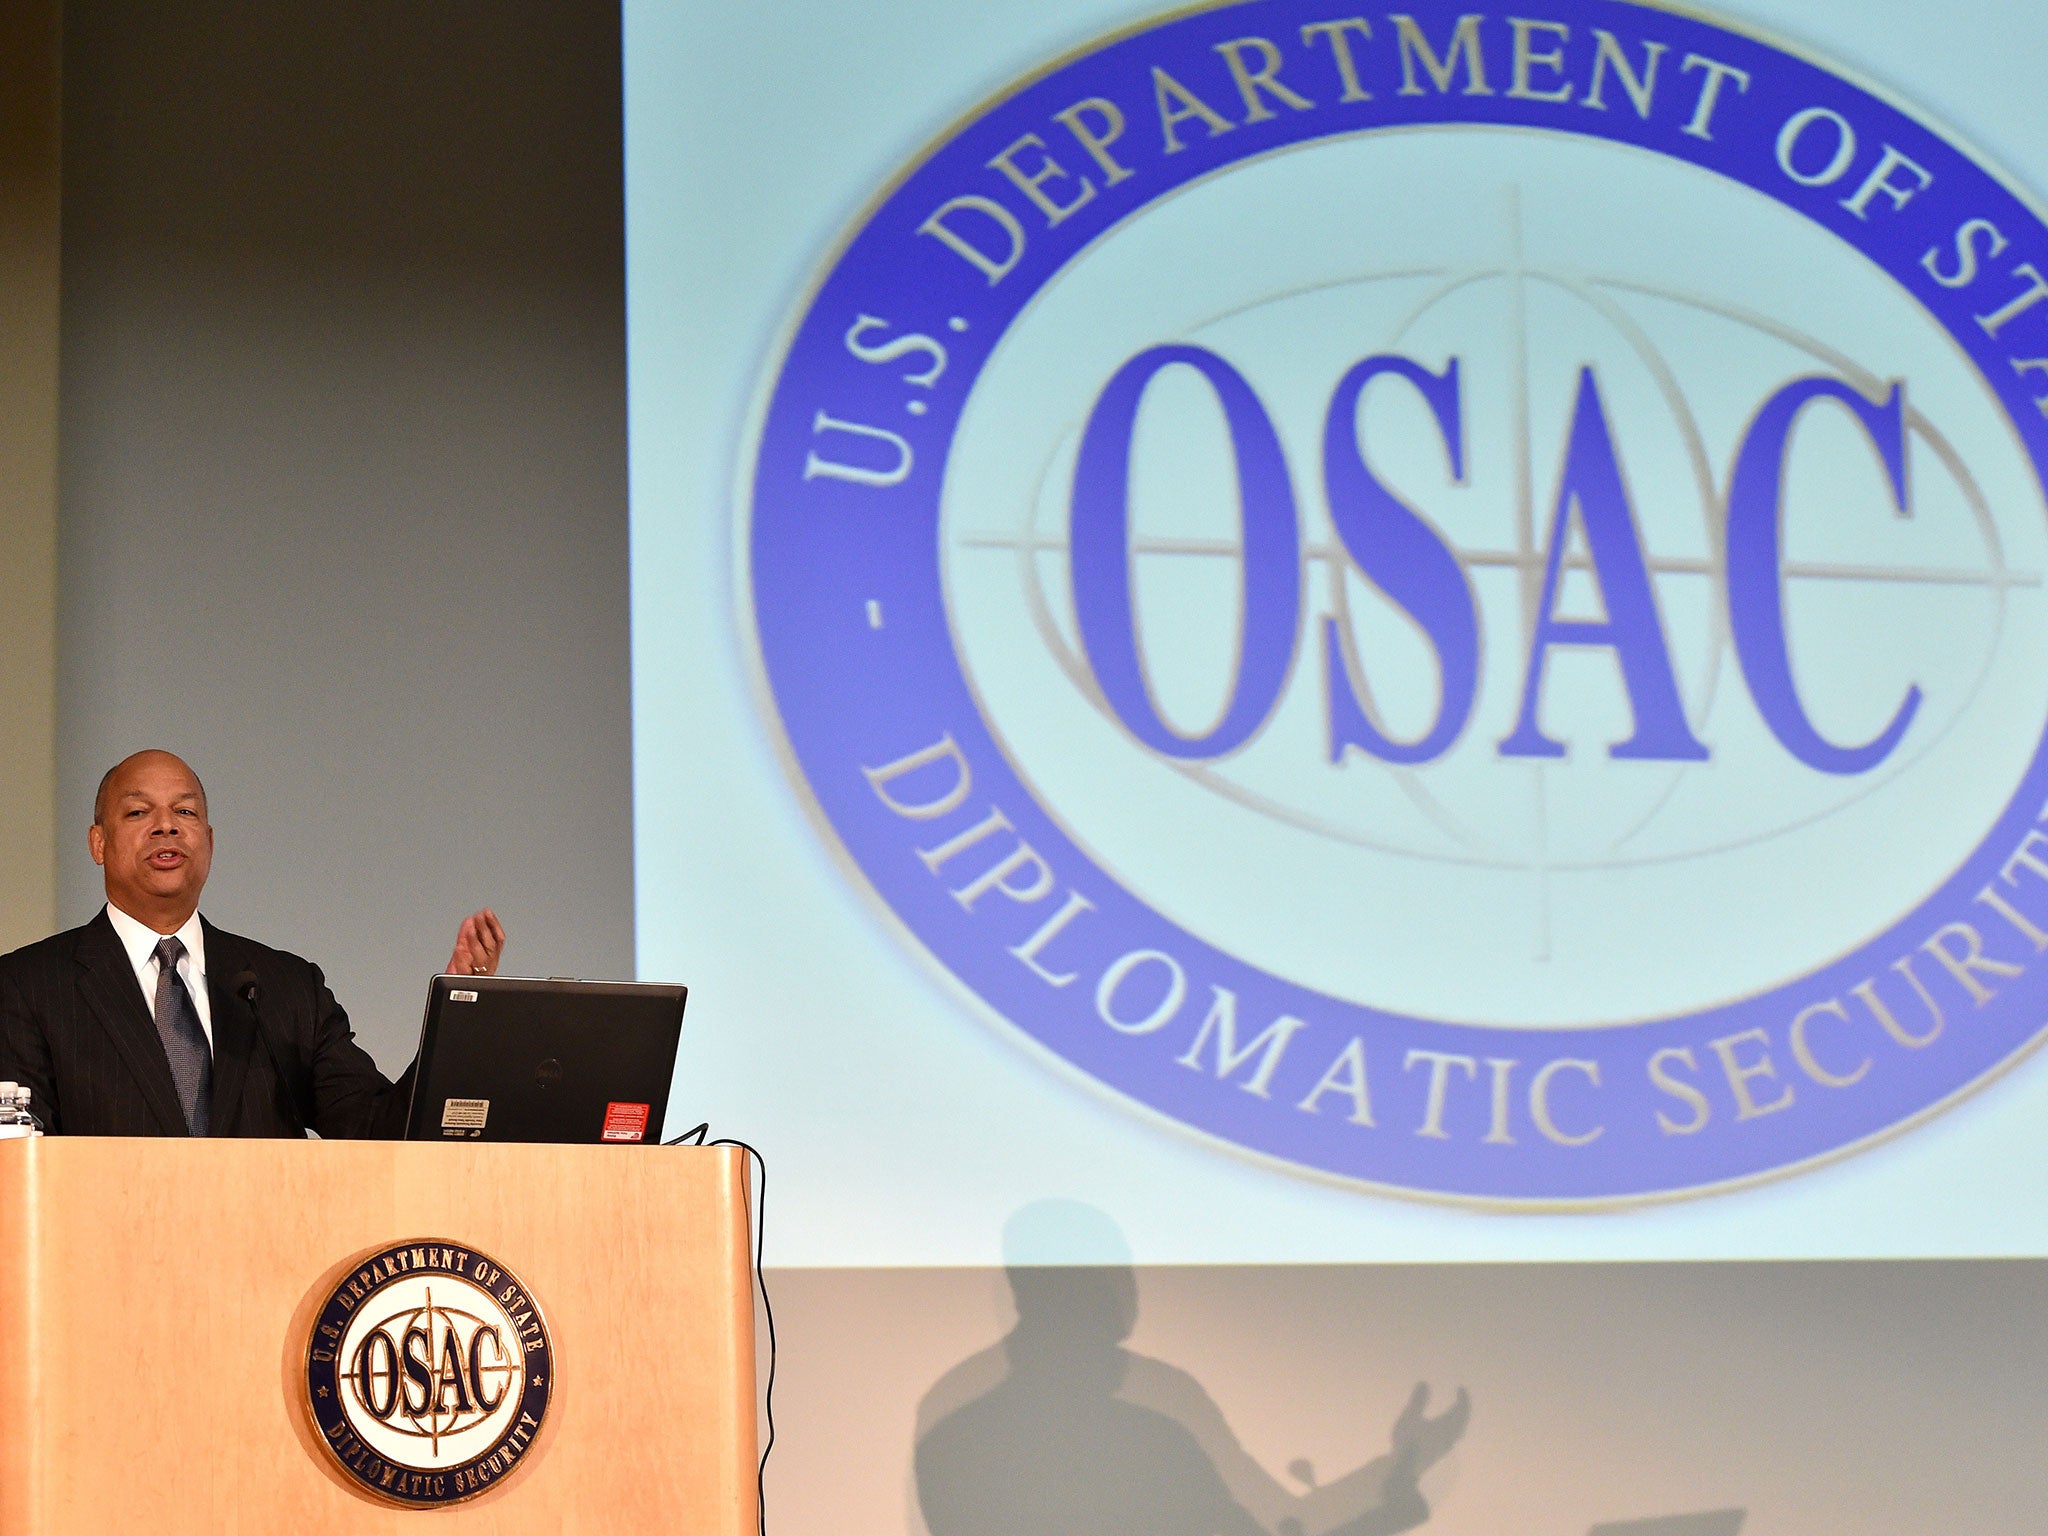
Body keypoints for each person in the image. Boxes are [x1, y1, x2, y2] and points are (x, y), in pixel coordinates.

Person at [0, 749, 505, 1138]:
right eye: (138, 813)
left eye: (186, 812)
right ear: (98, 843)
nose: (167, 825)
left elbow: (379, 1129)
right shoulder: (30, 987)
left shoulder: (283, 988)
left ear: (210, 843)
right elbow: (21, 1161)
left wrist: (458, 1009)